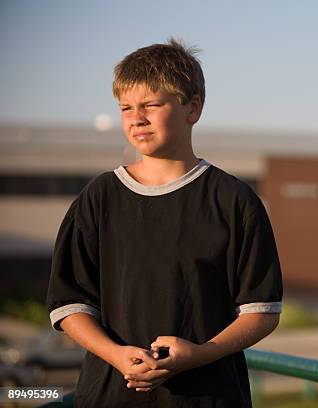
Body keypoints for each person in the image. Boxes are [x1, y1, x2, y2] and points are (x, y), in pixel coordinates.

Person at [46, 38, 283, 407]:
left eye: (152, 105)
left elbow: (262, 311)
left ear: (193, 109)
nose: (136, 117)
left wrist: (199, 354)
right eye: (126, 107)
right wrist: (116, 354)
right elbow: (70, 303)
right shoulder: (99, 198)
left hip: (208, 397)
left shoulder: (235, 201)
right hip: (110, 396)